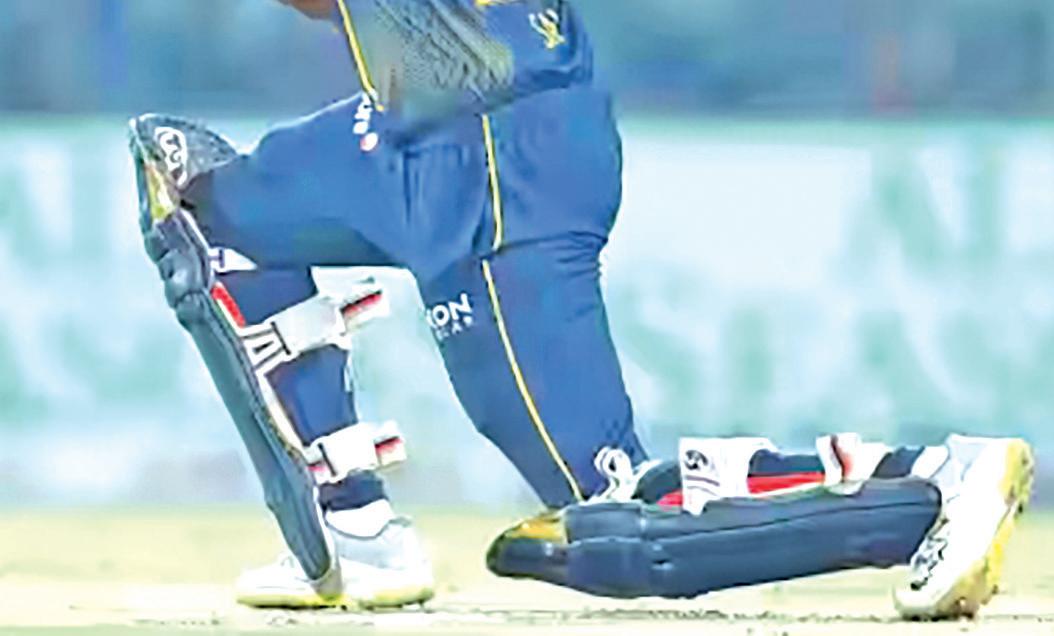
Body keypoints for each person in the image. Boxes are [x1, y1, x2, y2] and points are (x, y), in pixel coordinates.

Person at [130, 0, 1034, 620]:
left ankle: (929, 485)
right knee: (210, 212)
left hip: (496, 159)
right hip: (417, 127)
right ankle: (354, 526)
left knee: (612, 521)